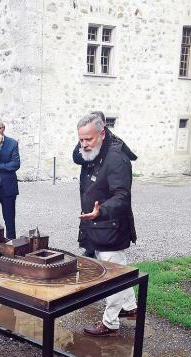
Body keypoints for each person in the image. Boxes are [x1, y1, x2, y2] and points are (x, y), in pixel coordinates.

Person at [74, 112, 139, 337]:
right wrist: (85, 146)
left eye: (88, 139)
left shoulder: (116, 158)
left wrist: (100, 212)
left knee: (112, 276)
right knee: (117, 269)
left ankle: (110, 323)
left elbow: (122, 196)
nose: (83, 144)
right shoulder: (93, 152)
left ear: (102, 133)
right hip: (96, 225)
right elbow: (77, 156)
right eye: (81, 139)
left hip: (112, 228)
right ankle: (130, 308)